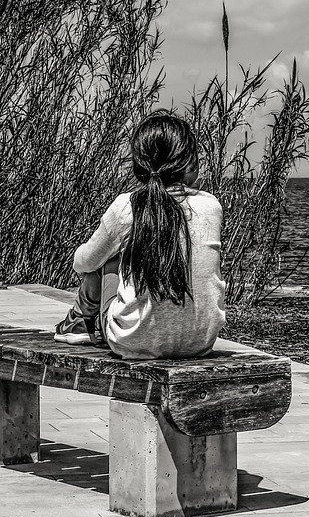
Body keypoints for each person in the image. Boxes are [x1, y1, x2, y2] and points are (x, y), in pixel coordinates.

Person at [52, 111, 225, 360]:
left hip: (132, 341)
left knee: (110, 259)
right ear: (188, 164)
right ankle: (80, 322)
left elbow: (84, 262)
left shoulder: (127, 206)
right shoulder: (211, 206)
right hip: (199, 342)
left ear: (139, 164)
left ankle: (79, 321)